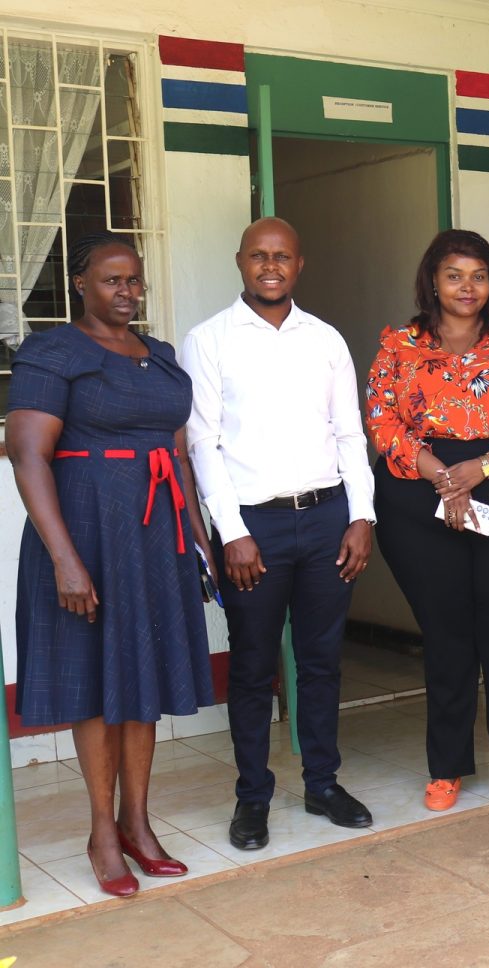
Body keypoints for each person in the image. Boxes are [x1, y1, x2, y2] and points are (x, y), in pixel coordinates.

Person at [7, 232, 216, 896]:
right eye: (111, 280)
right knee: (97, 682)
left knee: (142, 677)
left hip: (155, 538)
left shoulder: (160, 356)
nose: (127, 292)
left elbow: (175, 453)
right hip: (86, 534)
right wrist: (65, 560)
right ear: (81, 284)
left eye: (134, 280)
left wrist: (199, 536)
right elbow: (27, 455)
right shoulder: (52, 352)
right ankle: (102, 831)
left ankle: (137, 823)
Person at [182, 217, 377, 851]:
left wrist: (362, 516)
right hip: (253, 527)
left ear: (300, 264)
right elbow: (202, 443)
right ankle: (252, 797)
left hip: (326, 519)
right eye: (260, 256)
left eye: (283, 256)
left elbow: (350, 434)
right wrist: (231, 532)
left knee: (321, 662)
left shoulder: (325, 340)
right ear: (241, 261)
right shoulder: (208, 340)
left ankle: (323, 785)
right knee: (252, 667)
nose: (271, 266)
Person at [366, 229, 489, 815]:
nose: (466, 287)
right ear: (433, 280)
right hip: (419, 496)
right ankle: (446, 766)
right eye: (454, 275)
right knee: (446, 634)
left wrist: (480, 468)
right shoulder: (399, 345)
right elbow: (382, 420)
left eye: (478, 276)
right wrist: (442, 476)